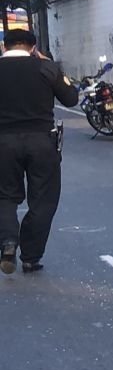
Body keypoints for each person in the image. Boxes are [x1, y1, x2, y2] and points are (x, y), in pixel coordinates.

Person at [0, 28, 80, 274]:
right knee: (43, 200)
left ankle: (8, 242)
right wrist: (51, 67)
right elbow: (71, 99)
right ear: (33, 47)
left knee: (4, 196)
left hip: (3, 142)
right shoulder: (46, 68)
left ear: (4, 46)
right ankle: (31, 257)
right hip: (42, 141)